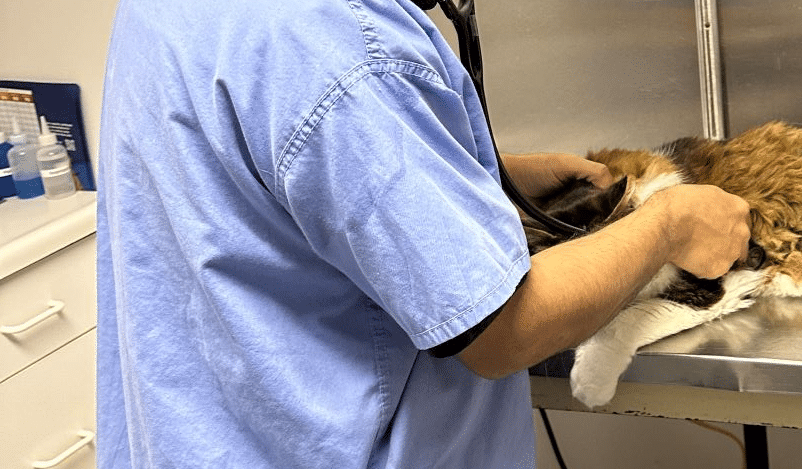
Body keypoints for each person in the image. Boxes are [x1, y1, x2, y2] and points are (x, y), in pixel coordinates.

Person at [96, 0, 752, 467]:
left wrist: (475, 172)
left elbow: (255, 172)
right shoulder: (341, 46)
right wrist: (669, 225)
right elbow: (504, 329)